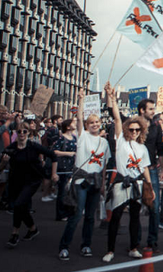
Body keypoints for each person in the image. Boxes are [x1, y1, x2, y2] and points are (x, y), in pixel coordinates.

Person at [103, 83, 155, 263]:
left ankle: (134, 247)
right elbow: (117, 119)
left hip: (138, 184)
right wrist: (112, 98)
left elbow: (145, 168)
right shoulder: (121, 143)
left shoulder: (142, 148)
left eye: (137, 129)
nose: (134, 132)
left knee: (135, 217)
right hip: (121, 183)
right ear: (127, 130)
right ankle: (109, 250)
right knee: (116, 217)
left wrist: (149, 186)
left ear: (141, 130)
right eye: (131, 129)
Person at [58, 89, 111, 260]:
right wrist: (80, 99)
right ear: (87, 125)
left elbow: (103, 166)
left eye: (97, 122)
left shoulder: (104, 142)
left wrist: (103, 184)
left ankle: (86, 245)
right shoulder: (82, 136)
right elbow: (79, 118)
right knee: (77, 213)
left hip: (95, 182)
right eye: (92, 122)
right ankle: (64, 246)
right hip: (81, 181)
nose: (95, 124)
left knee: (90, 217)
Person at [0, 122, 57, 248]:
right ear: (15, 133)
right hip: (15, 182)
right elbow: (0, 168)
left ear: (28, 133)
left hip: (32, 181)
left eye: (24, 131)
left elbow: (53, 155)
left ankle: (15, 233)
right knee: (21, 207)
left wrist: (53, 174)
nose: (22, 134)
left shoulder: (33, 146)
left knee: (19, 205)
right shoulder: (11, 148)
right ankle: (32, 229)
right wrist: (3, 163)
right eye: (19, 131)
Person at [137, 99, 163, 252]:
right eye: (150, 109)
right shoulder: (133, 126)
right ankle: (135, 242)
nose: (153, 111)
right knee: (135, 204)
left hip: (152, 168)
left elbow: (160, 149)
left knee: (154, 206)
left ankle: (152, 241)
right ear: (142, 110)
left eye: (153, 109)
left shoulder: (156, 127)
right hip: (135, 170)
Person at [53, 119, 78, 222]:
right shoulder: (61, 137)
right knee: (62, 191)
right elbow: (55, 151)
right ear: (68, 126)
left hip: (72, 167)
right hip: (63, 166)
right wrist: (68, 154)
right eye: (73, 123)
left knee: (70, 191)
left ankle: (70, 211)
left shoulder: (74, 137)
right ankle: (61, 213)